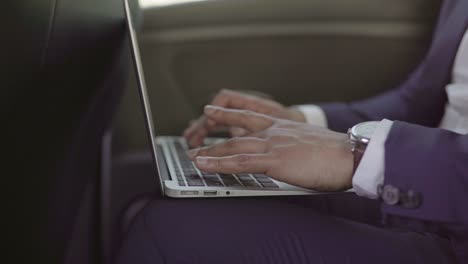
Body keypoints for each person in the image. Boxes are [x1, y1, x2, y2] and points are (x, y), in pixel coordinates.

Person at [117, 0, 468, 262]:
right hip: (426, 190)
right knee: (176, 186)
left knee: (172, 232)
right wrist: (301, 121)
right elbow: (422, 99)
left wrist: (365, 157)